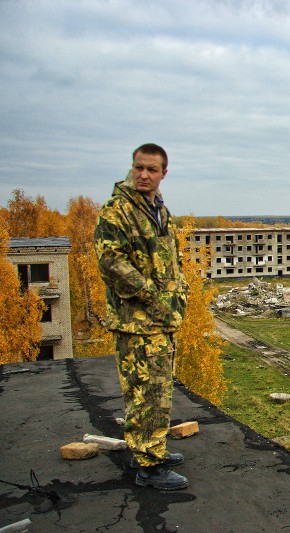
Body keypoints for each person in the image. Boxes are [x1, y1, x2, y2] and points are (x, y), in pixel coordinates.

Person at [94, 143, 190, 490]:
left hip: (160, 320)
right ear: (132, 168)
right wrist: (154, 297)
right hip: (136, 321)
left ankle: (153, 448)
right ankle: (149, 466)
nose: (143, 175)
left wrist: (180, 294)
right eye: (139, 168)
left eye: (151, 169)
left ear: (164, 173)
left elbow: (170, 260)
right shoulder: (117, 211)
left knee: (159, 389)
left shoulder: (158, 210)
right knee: (144, 391)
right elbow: (110, 263)